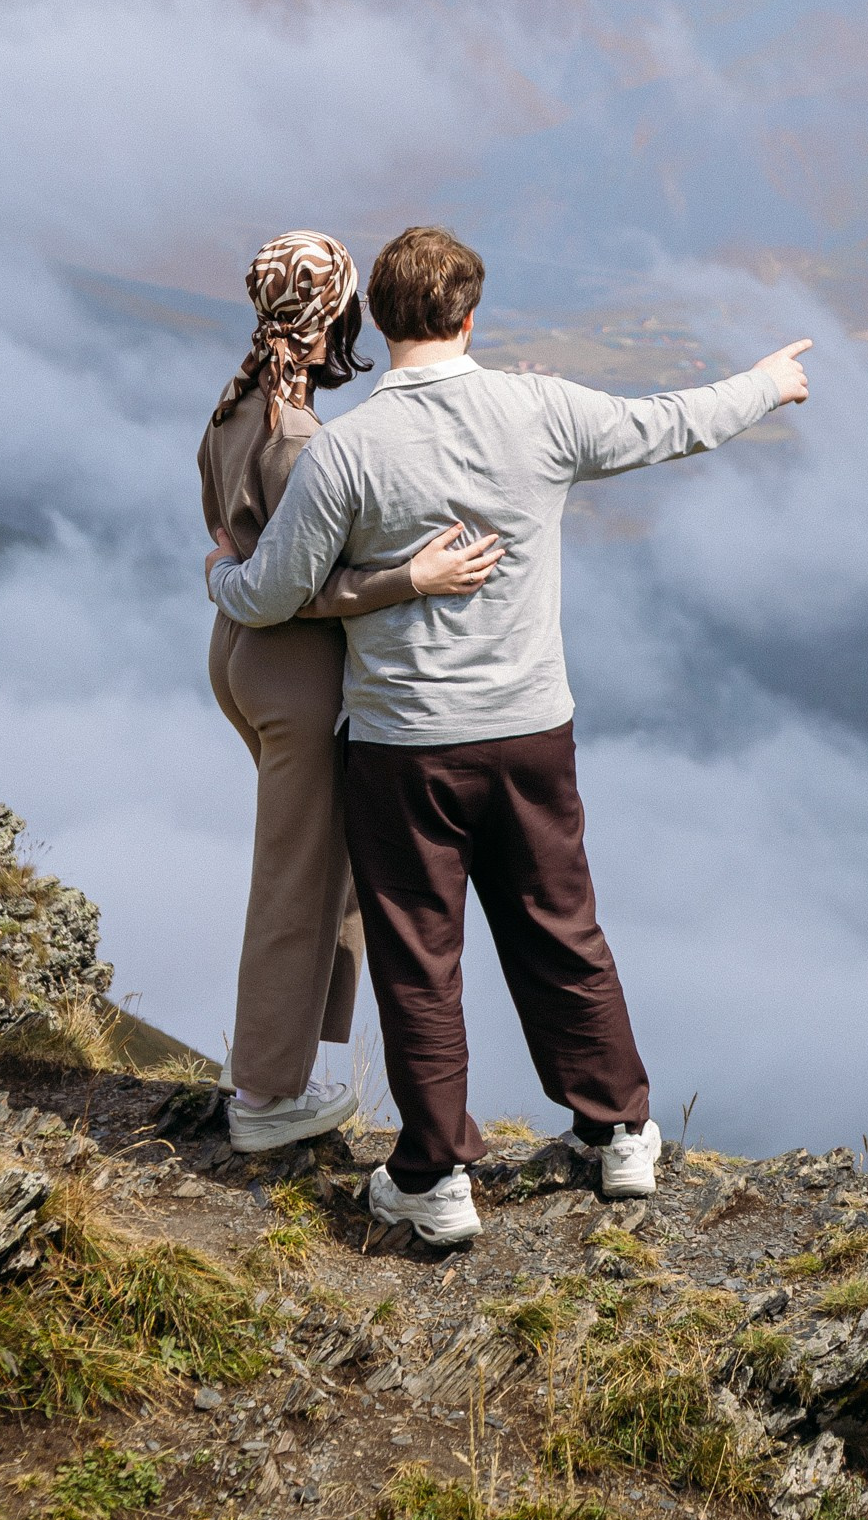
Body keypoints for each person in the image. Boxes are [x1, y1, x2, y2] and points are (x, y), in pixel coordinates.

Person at [207, 222, 811, 1246]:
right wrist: (765, 382)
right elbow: (671, 425)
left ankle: (434, 1179)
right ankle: (618, 1130)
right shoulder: (536, 408)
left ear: (383, 321)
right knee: (558, 924)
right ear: (467, 315)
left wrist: (221, 574)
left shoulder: (347, 448)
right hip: (531, 729)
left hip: (403, 749)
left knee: (418, 960)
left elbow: (270, 594)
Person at [200, 228, 500, 1153]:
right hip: (294, 672)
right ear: (332, 315)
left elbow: (233, 547)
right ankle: (264, 1098)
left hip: (242, 658)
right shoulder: (297, 439)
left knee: (326, 883)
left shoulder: (237, 404)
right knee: (300, 887)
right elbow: (301, 591)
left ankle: (278, 1066)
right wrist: (412, 580)